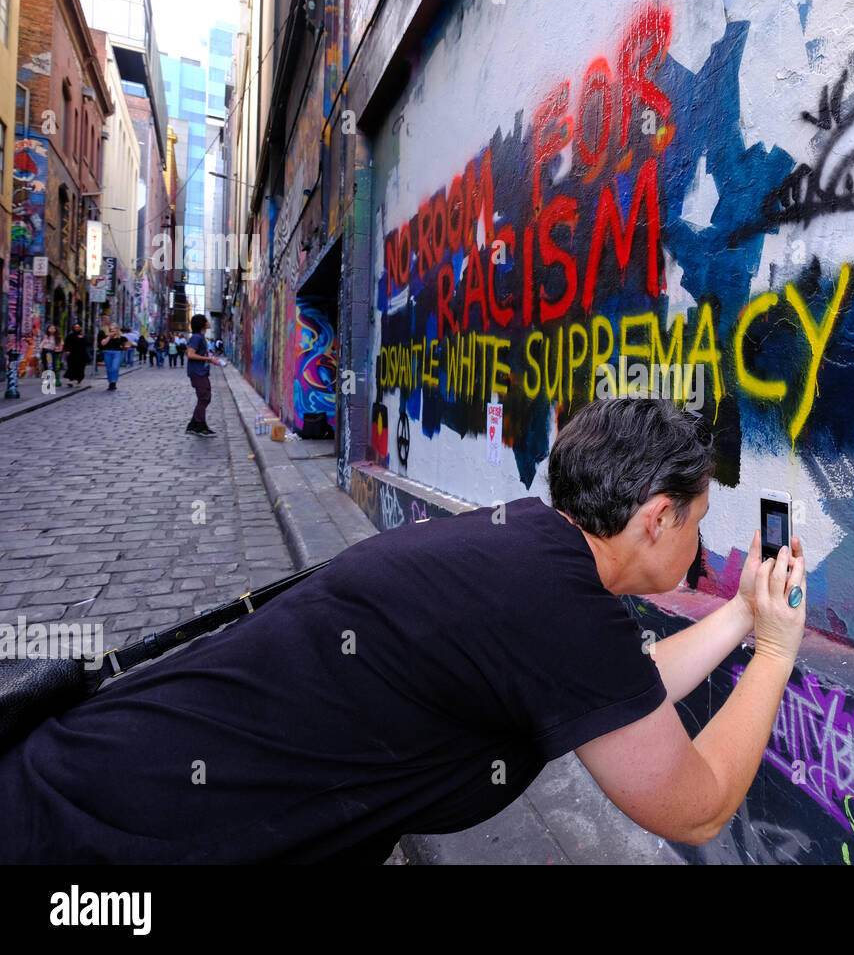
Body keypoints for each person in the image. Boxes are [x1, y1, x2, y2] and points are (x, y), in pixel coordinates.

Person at [0, 397, 807, 863]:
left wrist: (741, 614)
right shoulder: (562, 610)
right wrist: (775, 651)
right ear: (657, 518)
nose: (704, 545)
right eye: (698, 521)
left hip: (90, 769)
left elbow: (618, 695)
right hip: (94, 836)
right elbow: (695, 807)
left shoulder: (526, 546)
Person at [185, 314, 218, 435]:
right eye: (206, 321)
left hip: (202, 372)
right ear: (202, 324)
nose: (208, 322)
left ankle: (193, 425)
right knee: (204, 398)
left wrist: (209, 358)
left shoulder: (200, 337)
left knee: (205, 397)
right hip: (197, 373)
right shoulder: (196, 337)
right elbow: (190, 354)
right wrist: (208, 359)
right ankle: (200, 426)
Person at [99, 324, 131, 391]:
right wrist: (109, 337)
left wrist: (124, 347)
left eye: (113, 330)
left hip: (117, 353)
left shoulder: (122, 338)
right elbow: (103, 344)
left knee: (115, 368)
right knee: (109, 369)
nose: (112, 331)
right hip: (107, 353)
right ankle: (111, 383)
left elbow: (128, 345)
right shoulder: (106, 336)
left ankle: (113, 381)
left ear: (117, 330)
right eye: (111, 330)